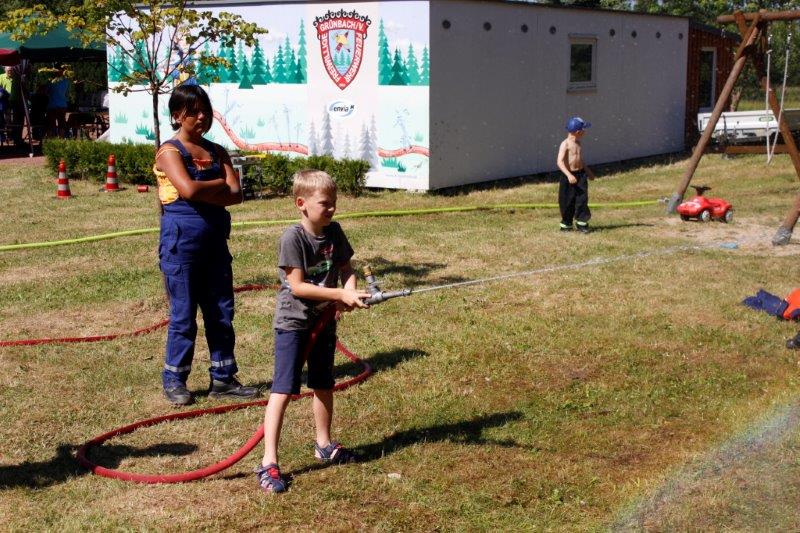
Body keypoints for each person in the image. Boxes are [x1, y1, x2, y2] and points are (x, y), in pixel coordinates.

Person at [256, 170, 370, 494]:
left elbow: (346, 269)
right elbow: (297, 286)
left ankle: (323, 444)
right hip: (294, 323)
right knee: (283, 390)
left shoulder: (335, 232)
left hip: (324, 320)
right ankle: (268, 461)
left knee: (323, 383)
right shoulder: (293, 239)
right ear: (301, 204)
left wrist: (350, 292)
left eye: (334, 202)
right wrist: (339, 294)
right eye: (324, 203)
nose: (332, 208)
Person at [154, 84, 259, 406]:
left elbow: (236, 194)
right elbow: (188, 190)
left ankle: (223, 379)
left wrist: (204, 189)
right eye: (193, 112)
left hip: (214, 244)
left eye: (205, 111)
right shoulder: (169, 152)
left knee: (221, 313)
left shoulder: (217, 151)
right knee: (184, 316)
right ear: (177, 116)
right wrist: (218, 185)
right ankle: (175, 381)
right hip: (181, 246)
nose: (201, 117)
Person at [556, 116, 596, 233]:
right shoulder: (565, 144)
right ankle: (566, 224)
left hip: (581, 175)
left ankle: (582, 223)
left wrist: (588, 172)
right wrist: (569, 175)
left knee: (582, 199)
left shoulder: (578, 143)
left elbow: (580, 160)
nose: (585, 132)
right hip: (568, 176)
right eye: (584, 130)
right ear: (578, 132)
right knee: (567, 201)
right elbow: (559, 162)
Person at [46, 68, 70, 137]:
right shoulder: (66, 81)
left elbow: (47, 91)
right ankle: (61, 139)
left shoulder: (51, 81)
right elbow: (67, 94)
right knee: (62, 123)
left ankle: (51, 139)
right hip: (62, 105)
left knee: (50, 124)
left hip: (52, 105)